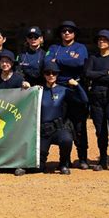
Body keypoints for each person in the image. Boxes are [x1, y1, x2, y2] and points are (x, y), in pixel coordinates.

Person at [45, 20, 89, 169]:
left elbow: (79, 63)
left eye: (70, 31)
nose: (67, 33)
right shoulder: (54, 47)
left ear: (74, 33)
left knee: (79, 125)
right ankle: (66, 159)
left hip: (74, 87)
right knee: (62, 124)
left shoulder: (80, 47)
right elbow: (47, 62)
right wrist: (68, 61)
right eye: (64, 31)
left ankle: (82, 158)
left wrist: (58, 60)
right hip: (59, 88)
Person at [37, 61, 88, 175]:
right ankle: (39, 164)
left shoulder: (63, 90)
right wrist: (24, 87)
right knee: (39, 166)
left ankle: (63, 163)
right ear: (43, 74)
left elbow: (84, 100)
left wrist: (77, 85)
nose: (51, 75)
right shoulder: (38, 90)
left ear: (57, 75)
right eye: (47, 73)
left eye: (54, 73)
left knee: (66, 139)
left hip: (59, 128)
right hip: (43, 130)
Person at [85, 30, 109, 173]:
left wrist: (99, 75)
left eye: (105, 39)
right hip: (96, 98)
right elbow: (87, 74)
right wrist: (104, 73)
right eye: (100, 39)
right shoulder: (93, 58)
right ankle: (103, 159)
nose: (101, 41)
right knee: (100, 131)